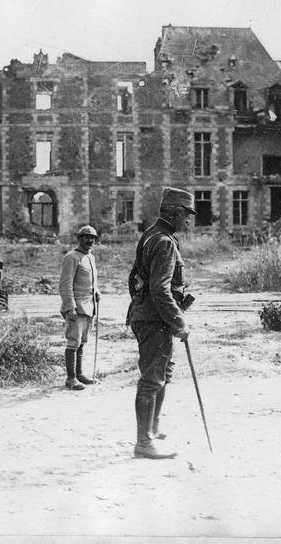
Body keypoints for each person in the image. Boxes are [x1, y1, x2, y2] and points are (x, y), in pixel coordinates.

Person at [127, 187, 195, 459]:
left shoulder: (151, 235)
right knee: (152, 379)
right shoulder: (165, 242)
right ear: (176, 213)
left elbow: (134, 278)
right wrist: (179, 322)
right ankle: (143, 443)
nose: (188, 221)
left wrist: (140, 306)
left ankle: (152, 430)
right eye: (186, 216)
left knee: (162, 374)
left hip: (148, 315)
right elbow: (160, 289)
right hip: (155, 318)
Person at [59, 225, 101, 390]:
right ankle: (71, 378)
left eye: (93, 238)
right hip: (76, 307)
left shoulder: (90, 257)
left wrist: (96, 291)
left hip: (89, 307)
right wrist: (70, 307)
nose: (90, 240)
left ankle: (80, 374)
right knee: (73, 342)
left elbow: (92, 281)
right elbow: (65, 284)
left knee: (82, 341)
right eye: (86, 237)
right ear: (79, 238)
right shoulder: (72, 257)